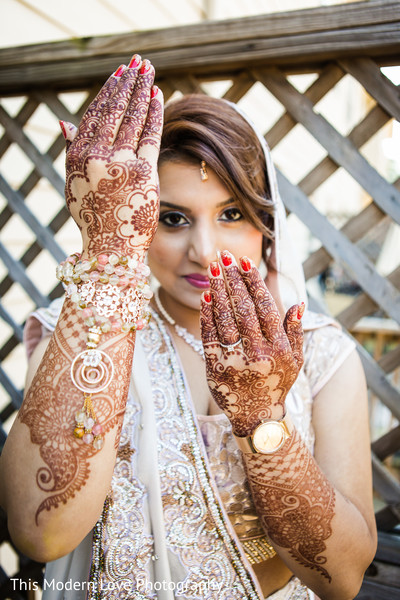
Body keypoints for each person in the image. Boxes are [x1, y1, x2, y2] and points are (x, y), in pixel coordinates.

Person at [0, 54, 377, 600]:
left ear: (267, 225)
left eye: (231, 214)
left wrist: (262, 422)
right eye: (172, 219)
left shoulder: (320, 353)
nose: (205, 252)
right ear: (138, 223)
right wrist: (106, 260)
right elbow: (39, 533)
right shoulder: (81, 332)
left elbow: (341, 579)